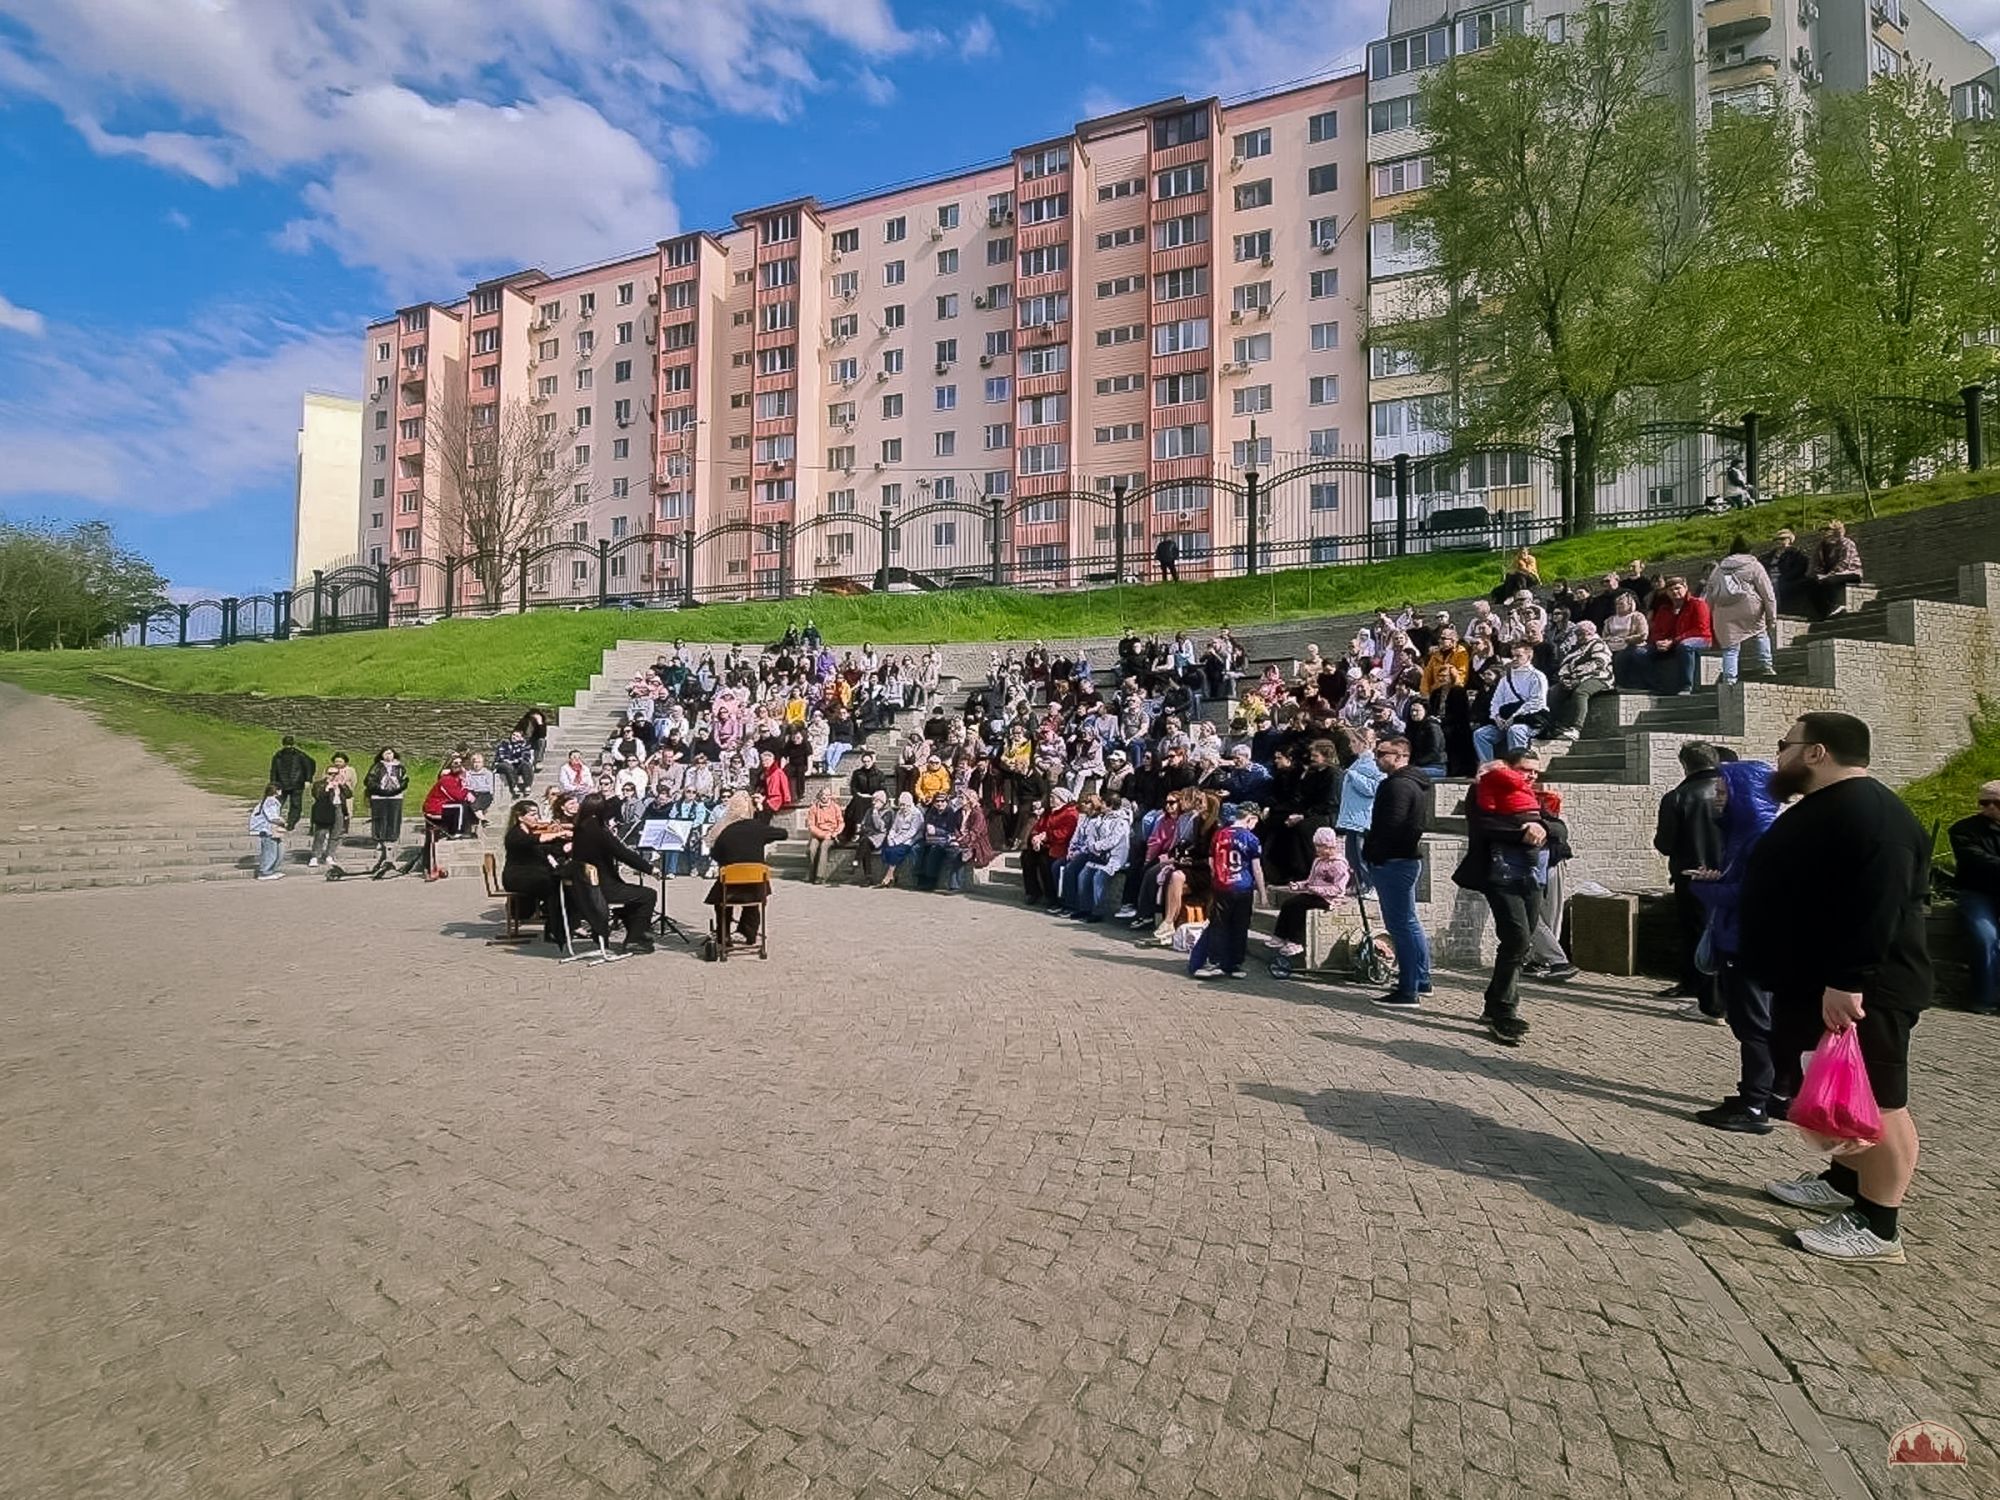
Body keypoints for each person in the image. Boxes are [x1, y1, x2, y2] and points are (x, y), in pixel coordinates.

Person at [1738, 712, 1931, 1265]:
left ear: (1816, 752)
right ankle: (1843, 1181)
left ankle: (1879, 1224)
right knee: (1843, 1091)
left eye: (1786, 744)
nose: (1779, 755)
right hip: (1822, 983)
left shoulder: (1872, 814)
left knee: (1879, 1100)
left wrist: (1848, 980)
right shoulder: (1833, 805)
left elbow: (1878, 906)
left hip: (1866, 990)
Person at [1687, 760, 1785, 1132]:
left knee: (1753, 1024)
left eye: (1723, 792)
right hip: (1745, 938)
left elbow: (1749, 895)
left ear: (1745, 796)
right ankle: (1765, 1093)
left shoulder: (1760, 836)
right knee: (1754, 1021)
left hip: (1748, 943)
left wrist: (1703, 888)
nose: (1716, 798)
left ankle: (1755, 1105)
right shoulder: (1747, 833)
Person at [1454, 748, 1549, 1046]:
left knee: (1521, 942)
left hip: (1532, 876)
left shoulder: (1531, 793)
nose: (1531, 776)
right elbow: (1484, 827)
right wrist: (1523, 832)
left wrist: (1542, 826)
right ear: (1507, 767)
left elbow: (1556, 825)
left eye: (1535, 771)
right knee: (1516, 939)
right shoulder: (1482, 789)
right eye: (1525, 770)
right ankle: (1505, 1012)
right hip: (1499, 875)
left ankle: (1494, 1002)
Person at [1654, 742, 1726, 1017]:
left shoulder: (1677, 797)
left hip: (1692, 875)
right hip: (1729, 873)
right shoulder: (1731, 792)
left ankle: (1710, 1003)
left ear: (1685, 764)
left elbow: (1665, 844)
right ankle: (1707, 992)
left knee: (1696, 934)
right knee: (1721, 933)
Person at [1363, 735, 1432, 1006]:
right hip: (1403, 859)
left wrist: (1375, 854)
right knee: (1409, 923)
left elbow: (1393, 826)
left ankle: (1408, 989)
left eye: (1383, 753)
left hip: (1394, 861)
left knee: (1400, 926)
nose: (1378, 758)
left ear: (1401, 756)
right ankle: (1420, 979)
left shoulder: (1398, 785)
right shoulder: (1414, 782)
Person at [568, 793, 658, 952]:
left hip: (586, 884)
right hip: (602, 886)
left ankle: (628, 924)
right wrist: (650, 869)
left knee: (634, 897)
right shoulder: (598, 829)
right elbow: (622, 853)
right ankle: (635, 939)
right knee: (648, 895)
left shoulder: (581, 826)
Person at [1193, 803, 1268, 981]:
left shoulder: (1219, 835)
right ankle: (1235, 964)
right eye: (1255, 822)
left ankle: (1215, 961)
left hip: (1222, 886)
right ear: (1250, 819)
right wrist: (1263, 893)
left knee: (1219, 925)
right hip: (1243, 887)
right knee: (1240, 926)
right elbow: (1257, 868)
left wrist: (1216, 878)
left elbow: (1211, 862)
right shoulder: (1251, 838)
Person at [704, 791, 789, 947]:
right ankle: (749, 933)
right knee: (753, 898)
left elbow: (715, 855)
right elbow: (783, 834)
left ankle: (724, 935)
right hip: (755, 886)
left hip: (730, 888)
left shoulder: (725, 831)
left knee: (721, 901)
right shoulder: (758, 828)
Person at [1265, 828, 1350, 978]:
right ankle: (1279, 936)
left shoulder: (1339, 865)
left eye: (1320, 846)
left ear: (1329, 846)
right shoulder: (1317, 861)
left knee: (1299, 906)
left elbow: (1338, 889)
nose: (1317, 850)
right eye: (1316, 846)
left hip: (1329, 899)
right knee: (1289, 903)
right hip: (1314, 894)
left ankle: (1296, 941)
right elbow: (1310, 881)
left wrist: (1316, 889)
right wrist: (1298, 885)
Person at [1948, 781, 2000, 1016]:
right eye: (1984, 802)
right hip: (1978, 892)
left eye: (1996, 803)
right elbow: (1977, 861)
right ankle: (1984, 997)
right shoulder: (1964, 829)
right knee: (1985, 937)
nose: (1990, 808)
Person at [1703, 535, 1780, 685]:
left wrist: (1707, 618)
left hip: (1723, 614)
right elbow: (1768, 593)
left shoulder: (1718, 569)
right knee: (1760, 633)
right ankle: (1765, 665)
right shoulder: (1754, 565)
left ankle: (1729, 679)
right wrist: (1772, 617)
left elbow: (1709, 596)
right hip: (1750, 609)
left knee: (1730, 648)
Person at [501, 799, 569, 944]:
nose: (537, 818)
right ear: (520, 817)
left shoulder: (530, 832)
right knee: (553, 885)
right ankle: (554, 929)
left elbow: (546, 848)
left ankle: (555, 927)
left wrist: (566, 846)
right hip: (517, 877)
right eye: (532, 815)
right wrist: (558, 833)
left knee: (558, 883)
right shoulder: (515, 835)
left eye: (537, 814)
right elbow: (535, 840)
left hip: (532, 875)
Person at [1630, 576, 1712, 696]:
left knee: (1685, 646)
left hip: (1700, 639)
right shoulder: (1664, 609)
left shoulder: (1697, 603)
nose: (1674, 592)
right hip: (1671, 642)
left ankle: (1686, 686)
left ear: (1685, 588)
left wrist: (1673, 641)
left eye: (1678, 588)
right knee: (1639, 652)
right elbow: (1656, 631)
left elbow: (1700, 629)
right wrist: (1658, 642)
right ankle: (1654, 686)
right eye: (1671, 590)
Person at [1472, 641, 1548, 764]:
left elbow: (1537, 701)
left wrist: (1514, 717)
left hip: (1528, 720)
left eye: (1519, 656)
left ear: (1529, 656)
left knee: (1516, 730)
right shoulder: (1505, 679)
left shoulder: (1537, 676)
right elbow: (1496, 701)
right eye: (1513, 656)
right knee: (1480, 734)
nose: (1514, 659)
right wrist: (1497, 717)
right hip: (1505, 720)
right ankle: (1489, 766)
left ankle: (1518, 766)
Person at [1546, 621, 1613, 741]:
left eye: (1582, 634)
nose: (1579, 637)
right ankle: (1554, 725)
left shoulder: (1598, 644)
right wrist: (1565, 678)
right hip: (1574, 678)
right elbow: (1565, 664)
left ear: (1591, 633)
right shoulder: (1575, 648)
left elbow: (1599, 663)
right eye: (1577, 634)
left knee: (1581, 692)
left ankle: (1576, 728)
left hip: (1599, 677)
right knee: (1553, 691)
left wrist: (1578, 678)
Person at [1804, 520, 1863, 619]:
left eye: (1827, 530)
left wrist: (1828, 575)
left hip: (1850, 572)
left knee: (1829, 581)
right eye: (1822, 530)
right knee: (1810, 584)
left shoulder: (1846, 543)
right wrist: (1816, 574)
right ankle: (1821, 613)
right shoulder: (1821, 547)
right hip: (1829, 574)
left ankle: (1837, 605)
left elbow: (1844, 563)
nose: (1824, 533)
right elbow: (1816, 563)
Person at [364, 748, 408, 853]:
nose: (388, 755)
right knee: (380, 818)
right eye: (386, 753)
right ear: (382, 755)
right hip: (379, 797)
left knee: (394, 817)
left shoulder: (400, 767)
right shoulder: (376, 767)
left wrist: (398, 789)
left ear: (394, 755)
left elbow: (405, 780)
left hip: (395, 796)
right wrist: (380, 789)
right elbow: (369, 781)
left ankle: (392, 838)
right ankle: (380, 839)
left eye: (390, 753)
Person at [1760, 529, 1811, 615]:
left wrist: (1785, 577)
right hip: (1769, 576)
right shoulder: (1770, 554)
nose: (1780, 541)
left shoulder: (1795, 553)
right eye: (1778, 539)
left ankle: (1775, 610)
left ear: (1789, 540)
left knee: (1775, 584)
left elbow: (1799, 568)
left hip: (1784, 577)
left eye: (1783, 539)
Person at [879, 791, 924, 889]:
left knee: (896, 851)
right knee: (887, 849)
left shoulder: (916, 814)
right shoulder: (899, 812)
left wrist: (897, 841)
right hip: (897, 837)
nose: (903, 807)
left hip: (911, 839)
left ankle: (888, 876)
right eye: (901, 805)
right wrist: (891, 838)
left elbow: (912, 832)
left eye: (905, 805)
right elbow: (894, 828)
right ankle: (892, 876)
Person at [270, 735, 315, 829]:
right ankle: (280, 821)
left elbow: (309, 765)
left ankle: (290, 823)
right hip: (285, 783)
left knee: (293, 803)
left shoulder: (282, 755)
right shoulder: (280, 756)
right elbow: (274, 770)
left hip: (294, 783)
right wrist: (273, 783)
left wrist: (308, 779)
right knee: (281, 803)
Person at [803, 787, 845, 884]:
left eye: (827, 795)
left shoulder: (835, 807)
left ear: (830, 796)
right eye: (822, 795)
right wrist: (822, 834)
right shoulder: (814, 808)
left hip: (831, 834)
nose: (824, 797)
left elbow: (841, 823)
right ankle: (811, 873)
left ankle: (820, 876)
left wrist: (835, 833)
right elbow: (811, 826)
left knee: (824, 846)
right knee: (812, 848)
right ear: (819, 796)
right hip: (818, 833)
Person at [249, 782, 286, 880]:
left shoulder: (271, 801)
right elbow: (272, 816)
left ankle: (272, 870)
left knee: (279, 851)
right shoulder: (270, 801)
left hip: (272, 830)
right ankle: (264, 872)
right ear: (277, 791)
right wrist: (282, 821)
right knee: (270, 852)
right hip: (267, 830)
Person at [306, 776, 342, 867]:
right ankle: (315, 856)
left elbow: (349, 794)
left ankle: (330, 855)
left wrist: (341, 786)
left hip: (338, 808)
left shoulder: (340, 784)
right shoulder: (319, 784)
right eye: (330, 773)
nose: (333, 775)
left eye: (335, 773)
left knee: (335, 834)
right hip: (324, 809)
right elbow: (317, 796)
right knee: (320, 834)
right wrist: (327, 788)